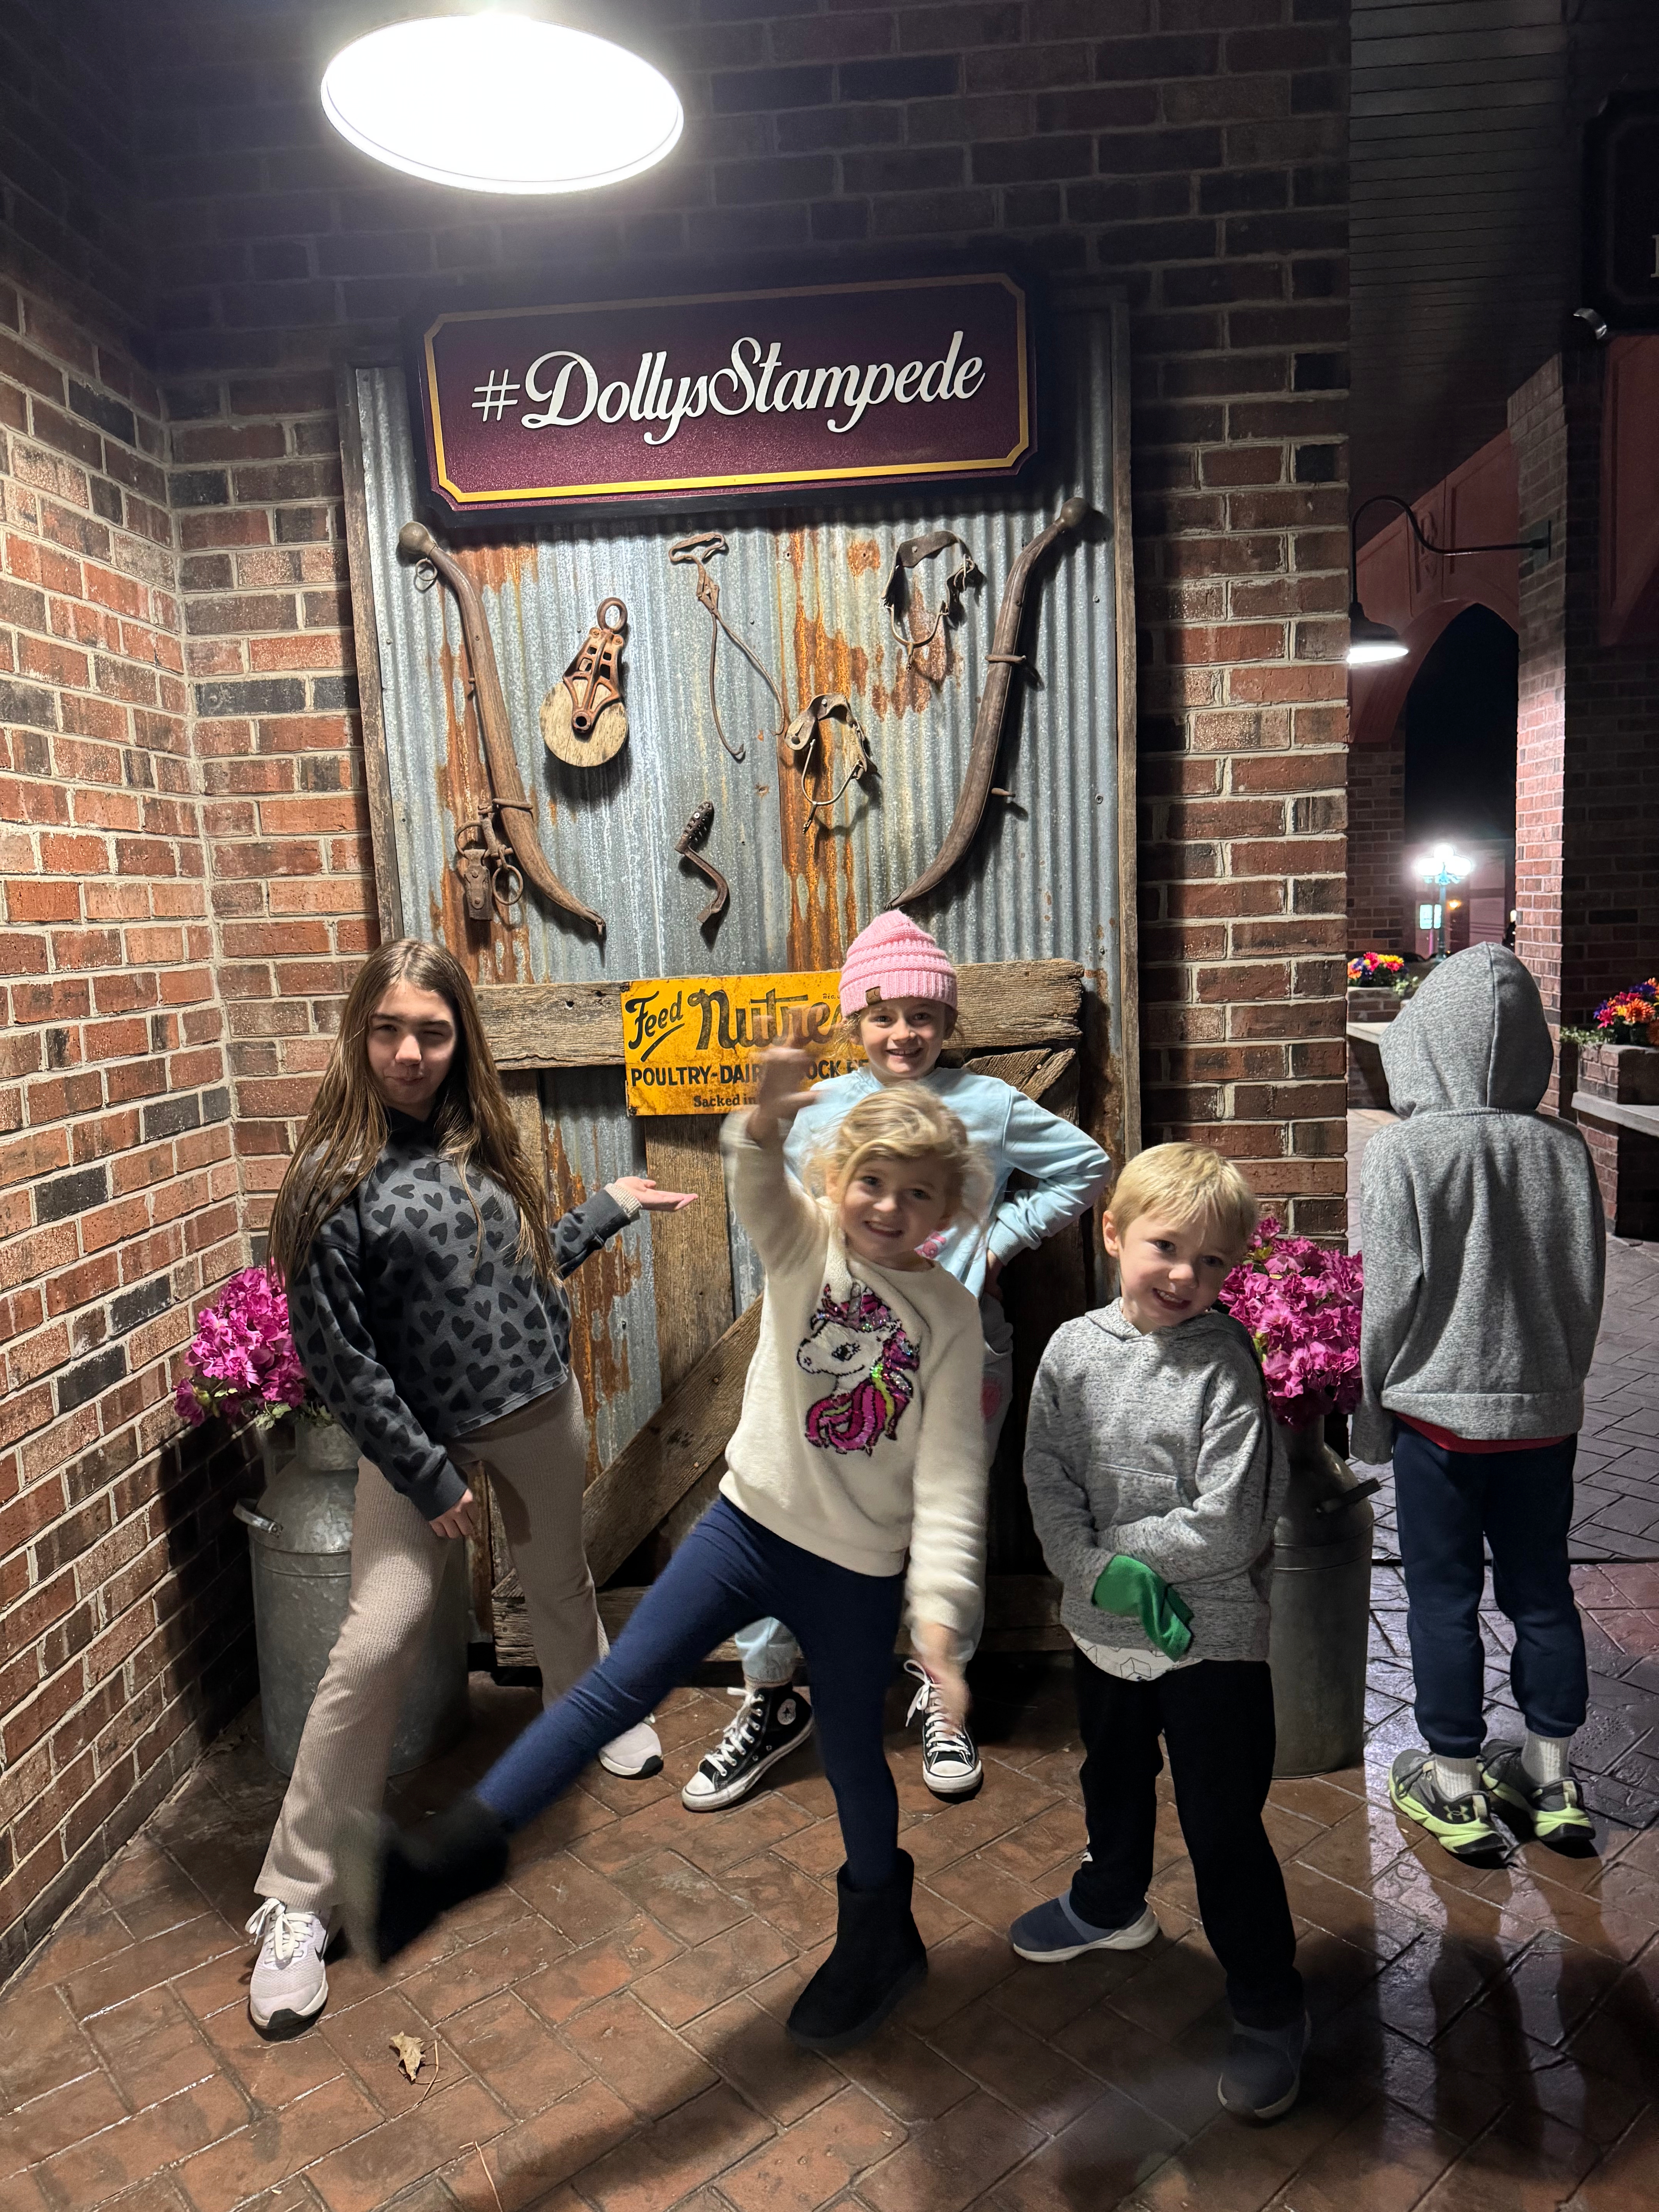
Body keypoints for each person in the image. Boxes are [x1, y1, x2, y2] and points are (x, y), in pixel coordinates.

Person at [336, 1051, 992, 2054]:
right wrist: (762, 1124)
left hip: (859, 1573)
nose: (889, 1208)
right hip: (743, 1530)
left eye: (917, 1194)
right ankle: (442, 1870)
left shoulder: (945, 1316)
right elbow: (754, 1183)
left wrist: (939, 1628)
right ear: (836, 1183)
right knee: (610, 1692)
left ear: (947, 1205)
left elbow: (949, 1479)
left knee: (855, 1755)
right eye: (871, 1182)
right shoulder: (801, 1247)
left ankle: (880, 1936)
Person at [246, 939, 694, 2039]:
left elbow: (524, 1268)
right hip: (421, 1448)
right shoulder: (331, 1178)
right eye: (391, 1029)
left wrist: (608, 1208)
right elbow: (340, 1358)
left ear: (460, 1041)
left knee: (558, 1575)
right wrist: (427, 1471)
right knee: (376, 1637)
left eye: (433, 1033)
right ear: (362, 1032)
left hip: (540, 1407)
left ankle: (585, 1717)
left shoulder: (481, 1138)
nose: (410, 1052)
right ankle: (298, 1897)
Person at [683, 910, 1109, 1814]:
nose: (903, 1033)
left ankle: (937, 1689)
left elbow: (1085, 1165)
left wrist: (998, 1242)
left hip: (959, 1354)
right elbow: (785, 1215)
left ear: (948, 1024)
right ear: (855, 1022)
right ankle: (771, 1694)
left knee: (949, 1512)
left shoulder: (988, 1106)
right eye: (882, 1015)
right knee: (791, 1510)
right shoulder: (820, 1113)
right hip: (834, 1357)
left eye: (922, 1015)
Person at [1015, 1142, 1309, 2124]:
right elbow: (1046, 1476)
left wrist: (1133, 1552)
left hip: (1211, 1635)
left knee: (1223, 1822)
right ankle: (1112, 1905)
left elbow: (1230, 1522)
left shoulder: (1227, 1368)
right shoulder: (1070, 1350)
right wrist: (1099, 1569)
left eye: (1215, 1261)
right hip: (1102, 1624)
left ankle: (1270, 2006)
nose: (1187, 1275)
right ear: (1113, 1234)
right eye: (1166, 1247)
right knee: (1111, 1772)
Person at [1353, 944, 1606, 1862]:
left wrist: (1370, 1414)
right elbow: (1585, 1290)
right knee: (1544, 1593)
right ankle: (1552, 1779)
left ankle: (1455, 1785)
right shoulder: (1565, 1150)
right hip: (1545, 1418)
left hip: (1436, 1422)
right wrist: (1559, 1383)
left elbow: (1388, 1298)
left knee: (1443, 1598)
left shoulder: (1405, 1153)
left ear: (1422, 1043)